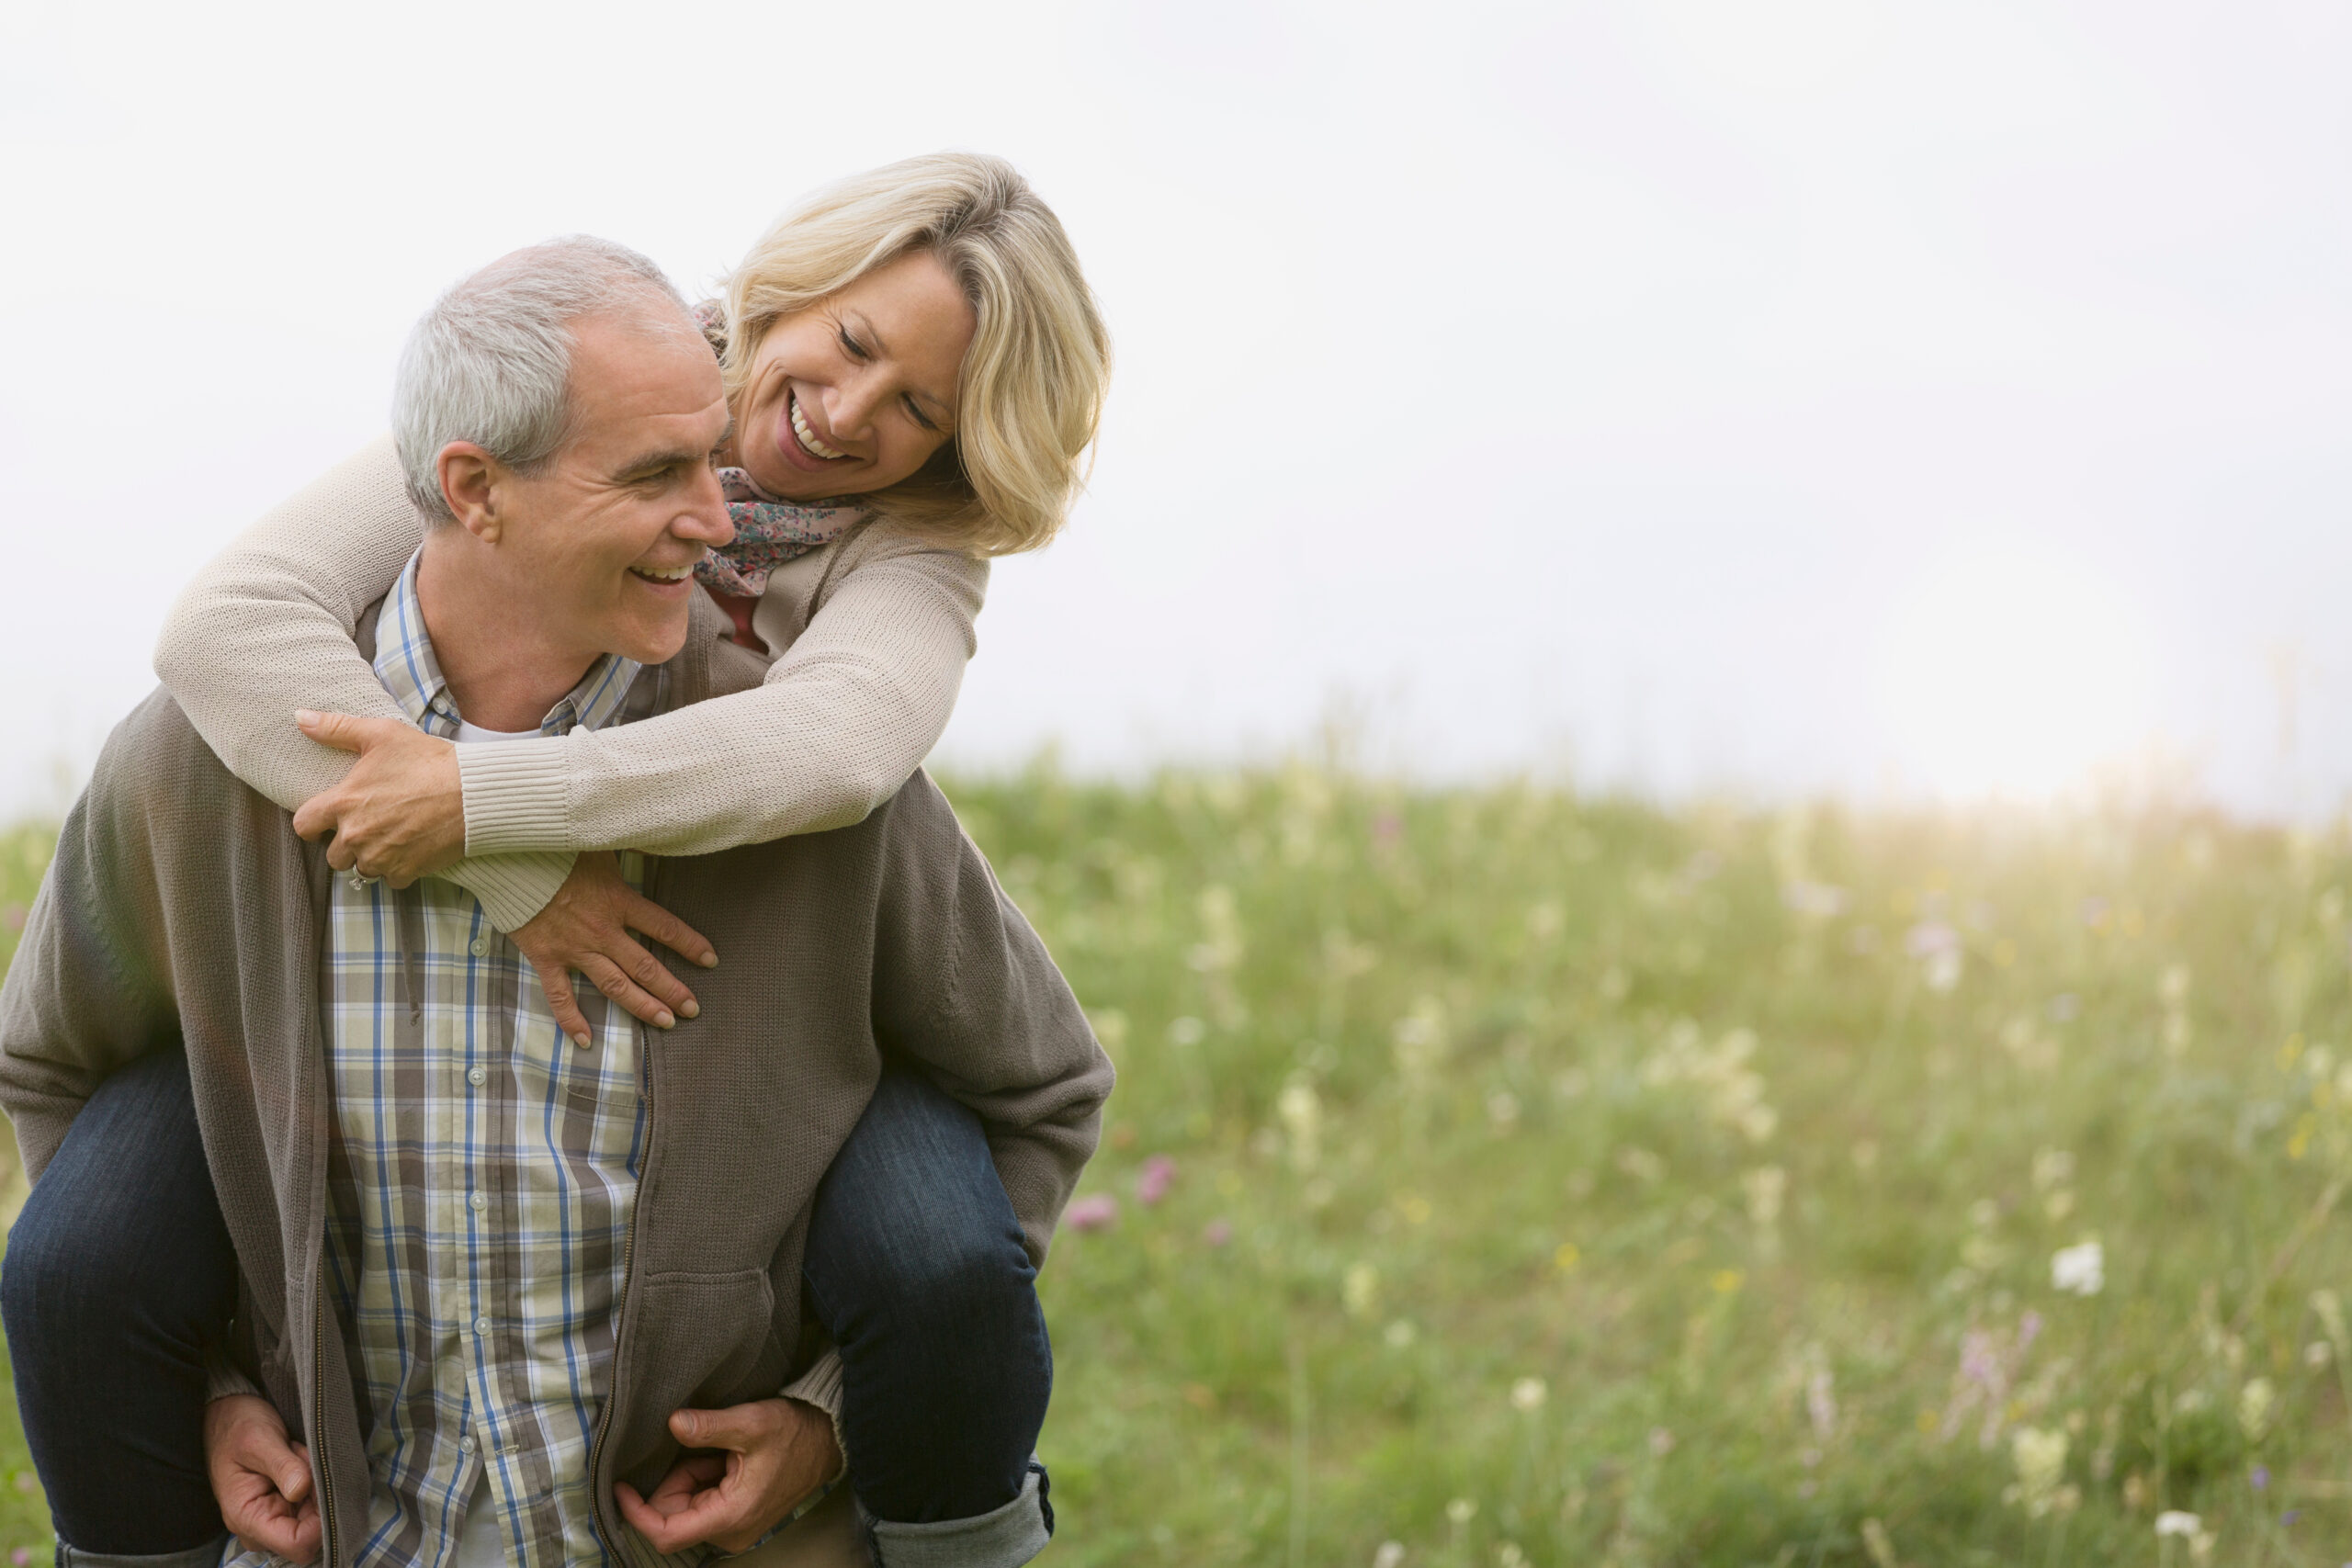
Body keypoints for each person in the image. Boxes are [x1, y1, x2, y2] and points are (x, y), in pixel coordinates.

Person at [0, 234, 1112, 1568]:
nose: (722, 524)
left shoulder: (801, 770)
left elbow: (1024, 1072)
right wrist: (210, 1392)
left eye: (920, 410)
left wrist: (831, 1420)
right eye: (658, 474)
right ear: (473, 489)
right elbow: (55, 1064)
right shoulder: (202, 763)